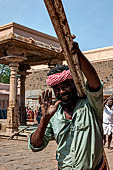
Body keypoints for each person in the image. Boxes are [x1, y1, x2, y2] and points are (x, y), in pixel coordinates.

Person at [28, 42, 106, 170]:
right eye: (57, 89)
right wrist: (45, 119)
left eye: (65, 86)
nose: (61, 91)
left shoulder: (90, 105)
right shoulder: (53, 116)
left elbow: (95, 84)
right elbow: (35, 146)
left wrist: (77, 54)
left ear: (74, 85)